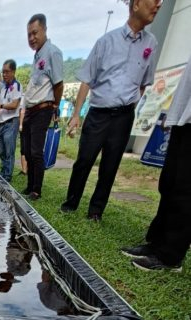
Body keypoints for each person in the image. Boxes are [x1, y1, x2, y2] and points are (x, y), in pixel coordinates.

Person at [61, 0, 161, 221]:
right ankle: (71, 202)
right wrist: (76, 114)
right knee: (84, 159)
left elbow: (144, 83)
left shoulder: (151, 44)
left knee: (110, 164)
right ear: (136, 5)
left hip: (124, 115)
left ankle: (96, 211)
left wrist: (131, 105)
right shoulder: (107, 41)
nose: (158, 5)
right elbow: (86, 79)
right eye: (153, 1)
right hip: (98, 112)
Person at [121, 53, 191, 272]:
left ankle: (171, 256)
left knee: (185, 189)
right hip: (183, 117)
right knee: (169, 182)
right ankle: (156, 243)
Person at [21, 13, 63, 201]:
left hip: (43, 109)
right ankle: (30, 185)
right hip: (31, 110)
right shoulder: (37, 56)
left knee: (37, 151)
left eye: (35, 33)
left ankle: (37, 189)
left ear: (45, 29)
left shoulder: (52, 52)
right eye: (29, 34)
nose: (32, 38)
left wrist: (54, 106)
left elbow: (58, 84)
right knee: (28, 150)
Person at [0, 60, 21, 182]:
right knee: (2, 150)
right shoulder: (4, 88)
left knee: (9, 150)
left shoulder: (17, 86)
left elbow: (14, 104)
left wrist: (0, 107)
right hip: (2, 122)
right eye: (3, 72)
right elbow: (1, 106)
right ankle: (3, 172)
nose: (4, 75)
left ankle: (7, 176)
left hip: (12, 121)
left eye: (7, 72)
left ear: (13, 72)